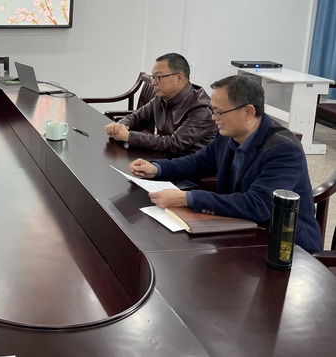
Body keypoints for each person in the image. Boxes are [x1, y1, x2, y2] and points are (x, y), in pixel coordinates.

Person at [129, 75, 322, 252]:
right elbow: (199, 162)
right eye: (212, 110)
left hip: (285, 245)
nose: (213, 118)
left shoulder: (284, 149)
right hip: (239, 228)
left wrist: (187, 198)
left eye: (219, 112)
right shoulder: (228, 133)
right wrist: (158, 168)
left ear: (248, 112)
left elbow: (258, 205)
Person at [105, 53, 215, 156]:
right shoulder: (162, 98)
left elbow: (174, 144)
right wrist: (119, 126)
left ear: (179, 78)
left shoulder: (201, 109)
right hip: (164, 157)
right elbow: (137, 118)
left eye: (158, 77)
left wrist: (129, 137)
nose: (153, 82)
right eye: (153, 77)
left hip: (188, 166)